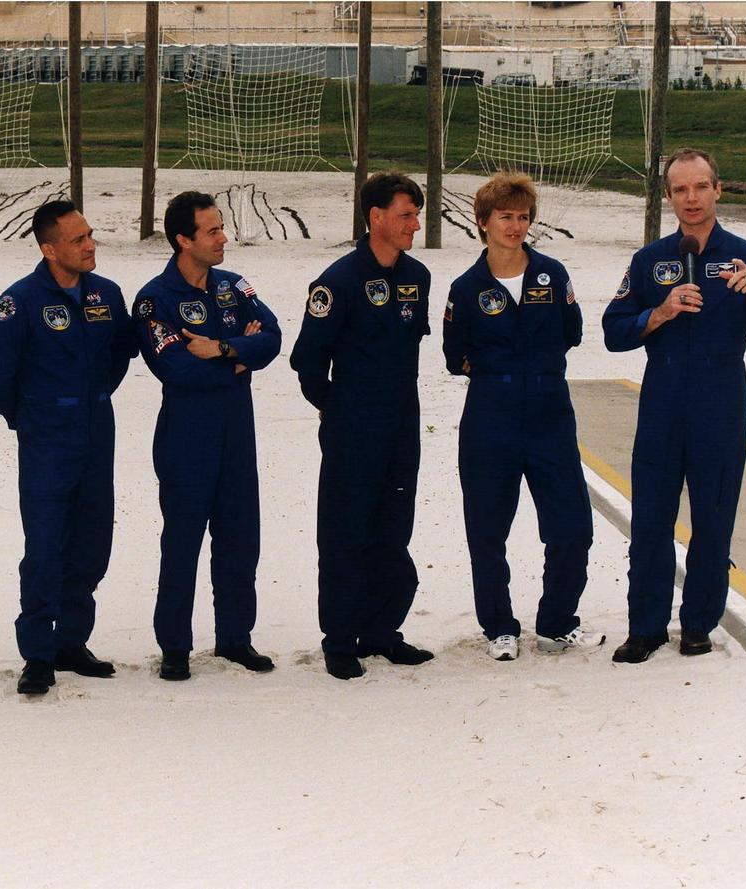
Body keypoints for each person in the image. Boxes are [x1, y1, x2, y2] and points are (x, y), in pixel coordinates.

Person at [603, 147, 746, 663]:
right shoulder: (649, 261)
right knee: (650, 519)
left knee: (714, 519)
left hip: (720, 400)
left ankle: (698, 625)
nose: (690, 198)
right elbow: (613, 331)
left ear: (718, 189)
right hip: (662, 402)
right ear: (668, 196)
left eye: (700, 187)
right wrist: (659, 312)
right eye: (679, 189)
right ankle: (646, 627)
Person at [443, 173, 602, 662]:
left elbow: (572, 332)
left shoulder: (552, 275)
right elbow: (455, 356)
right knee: (488, 529)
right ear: (483, 222)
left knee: (572, 527)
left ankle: (556, 623)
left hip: (551, 414)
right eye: (505, 217)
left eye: (523, 217)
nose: (515, 226)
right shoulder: (466, 287)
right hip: (491, 419)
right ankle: (499, 628)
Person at [0, 200, 138, 696]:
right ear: (49, 249)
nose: (90, 245)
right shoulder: (18, 303)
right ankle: (38, 653)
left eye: (90, 235)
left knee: (92, 544)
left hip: (96, 428)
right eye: (77, 240)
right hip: (48, 435)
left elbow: (120, 355)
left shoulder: (107, 295)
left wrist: (92, 401)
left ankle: (72, 641)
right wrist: (32, 419)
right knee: (46, 545)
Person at [289, 172, 435, 680]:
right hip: (354, 425)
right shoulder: (338, 282)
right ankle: (340, 639)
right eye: (405, 215)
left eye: (416, 214)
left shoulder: (418, 277)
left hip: (403, 423)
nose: (415, 224)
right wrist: (337, 407)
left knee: (393, 530)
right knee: (346, 532)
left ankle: (381, 631)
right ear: (375, 218)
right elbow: (308, 362)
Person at [132, 191, 282, 681]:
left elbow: (274, 338)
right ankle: (175, 646)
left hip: (237, 431)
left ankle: (235, 637)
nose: (224, 238)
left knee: (241, 539)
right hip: (187, 434)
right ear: (183, 239)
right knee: (182, 542)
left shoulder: (234, 286)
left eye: (222, 228)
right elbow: (175, 369)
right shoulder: (156, 298)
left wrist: (219, 348)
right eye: (213, 230)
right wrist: (239, 359)